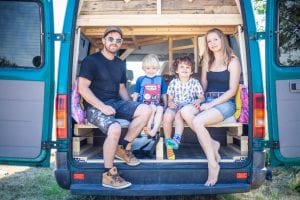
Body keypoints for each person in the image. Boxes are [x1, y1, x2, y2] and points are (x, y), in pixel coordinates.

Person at [78, 26, 152, 189]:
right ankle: (108, 174)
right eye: (111, 39)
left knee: (146, 110)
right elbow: (82, 88)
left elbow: (121, 89)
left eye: (118, 40)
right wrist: (102, 106)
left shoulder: (119, 64)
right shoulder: (91, 61)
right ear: (103, 40)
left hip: (116, 103)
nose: (114, 42)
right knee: (115, 128)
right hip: (94, 107)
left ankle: (123, 148)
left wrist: (133, 108)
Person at [180, 28, 241, 187]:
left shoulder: (233, 61)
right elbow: (204, 87)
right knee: (185, 111)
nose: (212, 43)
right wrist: (199, 100)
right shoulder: (207, 61)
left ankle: (212, 163)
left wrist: (211, 104)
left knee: (198, 121)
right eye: (209, 41)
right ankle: (213, 143)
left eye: (215, 39)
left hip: (225, 102)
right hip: (207, 98)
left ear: (222, 40)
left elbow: (232, 90)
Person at [163, 56, 205, 160]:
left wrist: (198, 100)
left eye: (188, 67)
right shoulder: (173, 82)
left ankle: (176, 140)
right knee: (167, 116)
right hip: (176, 104)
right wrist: (170, 103)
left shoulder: (195, 82)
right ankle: (169, 145)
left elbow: (201, 97)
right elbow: (170, 98)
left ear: (191, 71)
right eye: (182, 67)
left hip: (188, 106)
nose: (185, 69)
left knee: (179, 115)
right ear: (176, 70)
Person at [132, 54, 167, 137]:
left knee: (160, 109)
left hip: (156, 102)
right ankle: (148, 127)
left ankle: (154, 131)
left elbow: (163, 93)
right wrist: (133, 104)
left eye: (153, 68)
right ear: (144, 68)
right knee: (153, 107)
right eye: (148, 68)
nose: (151, 70)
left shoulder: (160, 79)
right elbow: (136, 93)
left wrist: (165, 103)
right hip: (144, 103)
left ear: (157, 68)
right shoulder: (141, 79)